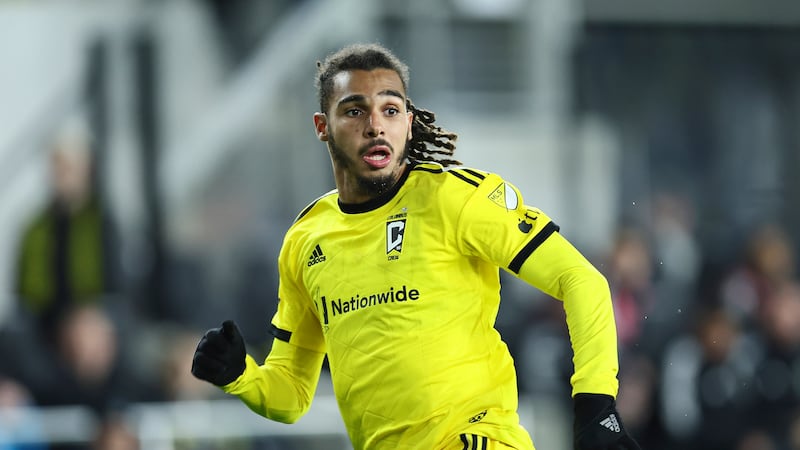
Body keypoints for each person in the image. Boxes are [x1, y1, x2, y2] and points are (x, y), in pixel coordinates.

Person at [191, 43, 640, 450]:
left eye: (390, 110)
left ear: (408, 122)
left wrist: (596, 406)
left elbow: (581, 280)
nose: (375, 126)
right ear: (322, 127)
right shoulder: (306, 240)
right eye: (354, 111)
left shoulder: (454, 199)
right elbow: (291, 394)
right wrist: (239, 375)